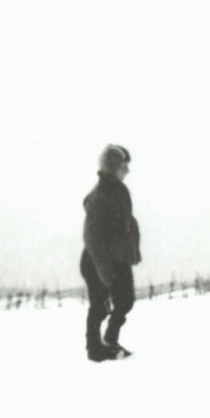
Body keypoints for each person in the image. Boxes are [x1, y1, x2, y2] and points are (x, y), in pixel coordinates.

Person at [81, 144, 141, 361]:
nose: (127, 171)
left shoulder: (119, 190)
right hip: (97, 260)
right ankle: (94, 349)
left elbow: (125, 224)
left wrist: (130, 253)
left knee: (125, 301)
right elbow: (92, 237)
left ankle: (110, 340)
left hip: (117, 259)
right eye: (124, 166)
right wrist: (104, 270)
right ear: (113, 167)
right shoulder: (99, 196)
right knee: (100, 306)